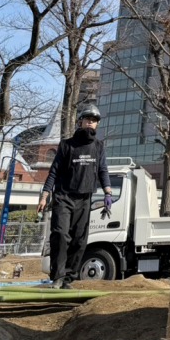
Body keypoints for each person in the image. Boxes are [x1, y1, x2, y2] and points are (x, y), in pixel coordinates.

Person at [37, 103, 112, 289]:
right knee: (61, 235)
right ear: (80, 121)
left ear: (97, 125)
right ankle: (57, 276)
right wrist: (45, 195)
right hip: (63, 197)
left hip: (85, 199)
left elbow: (102, 170)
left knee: (79, 240)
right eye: (87, 119)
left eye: (94, 121)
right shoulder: (67, 145)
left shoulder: (98, 147)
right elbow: (53, 172)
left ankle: (68, 278)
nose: (90, 123)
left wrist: (108, 193)